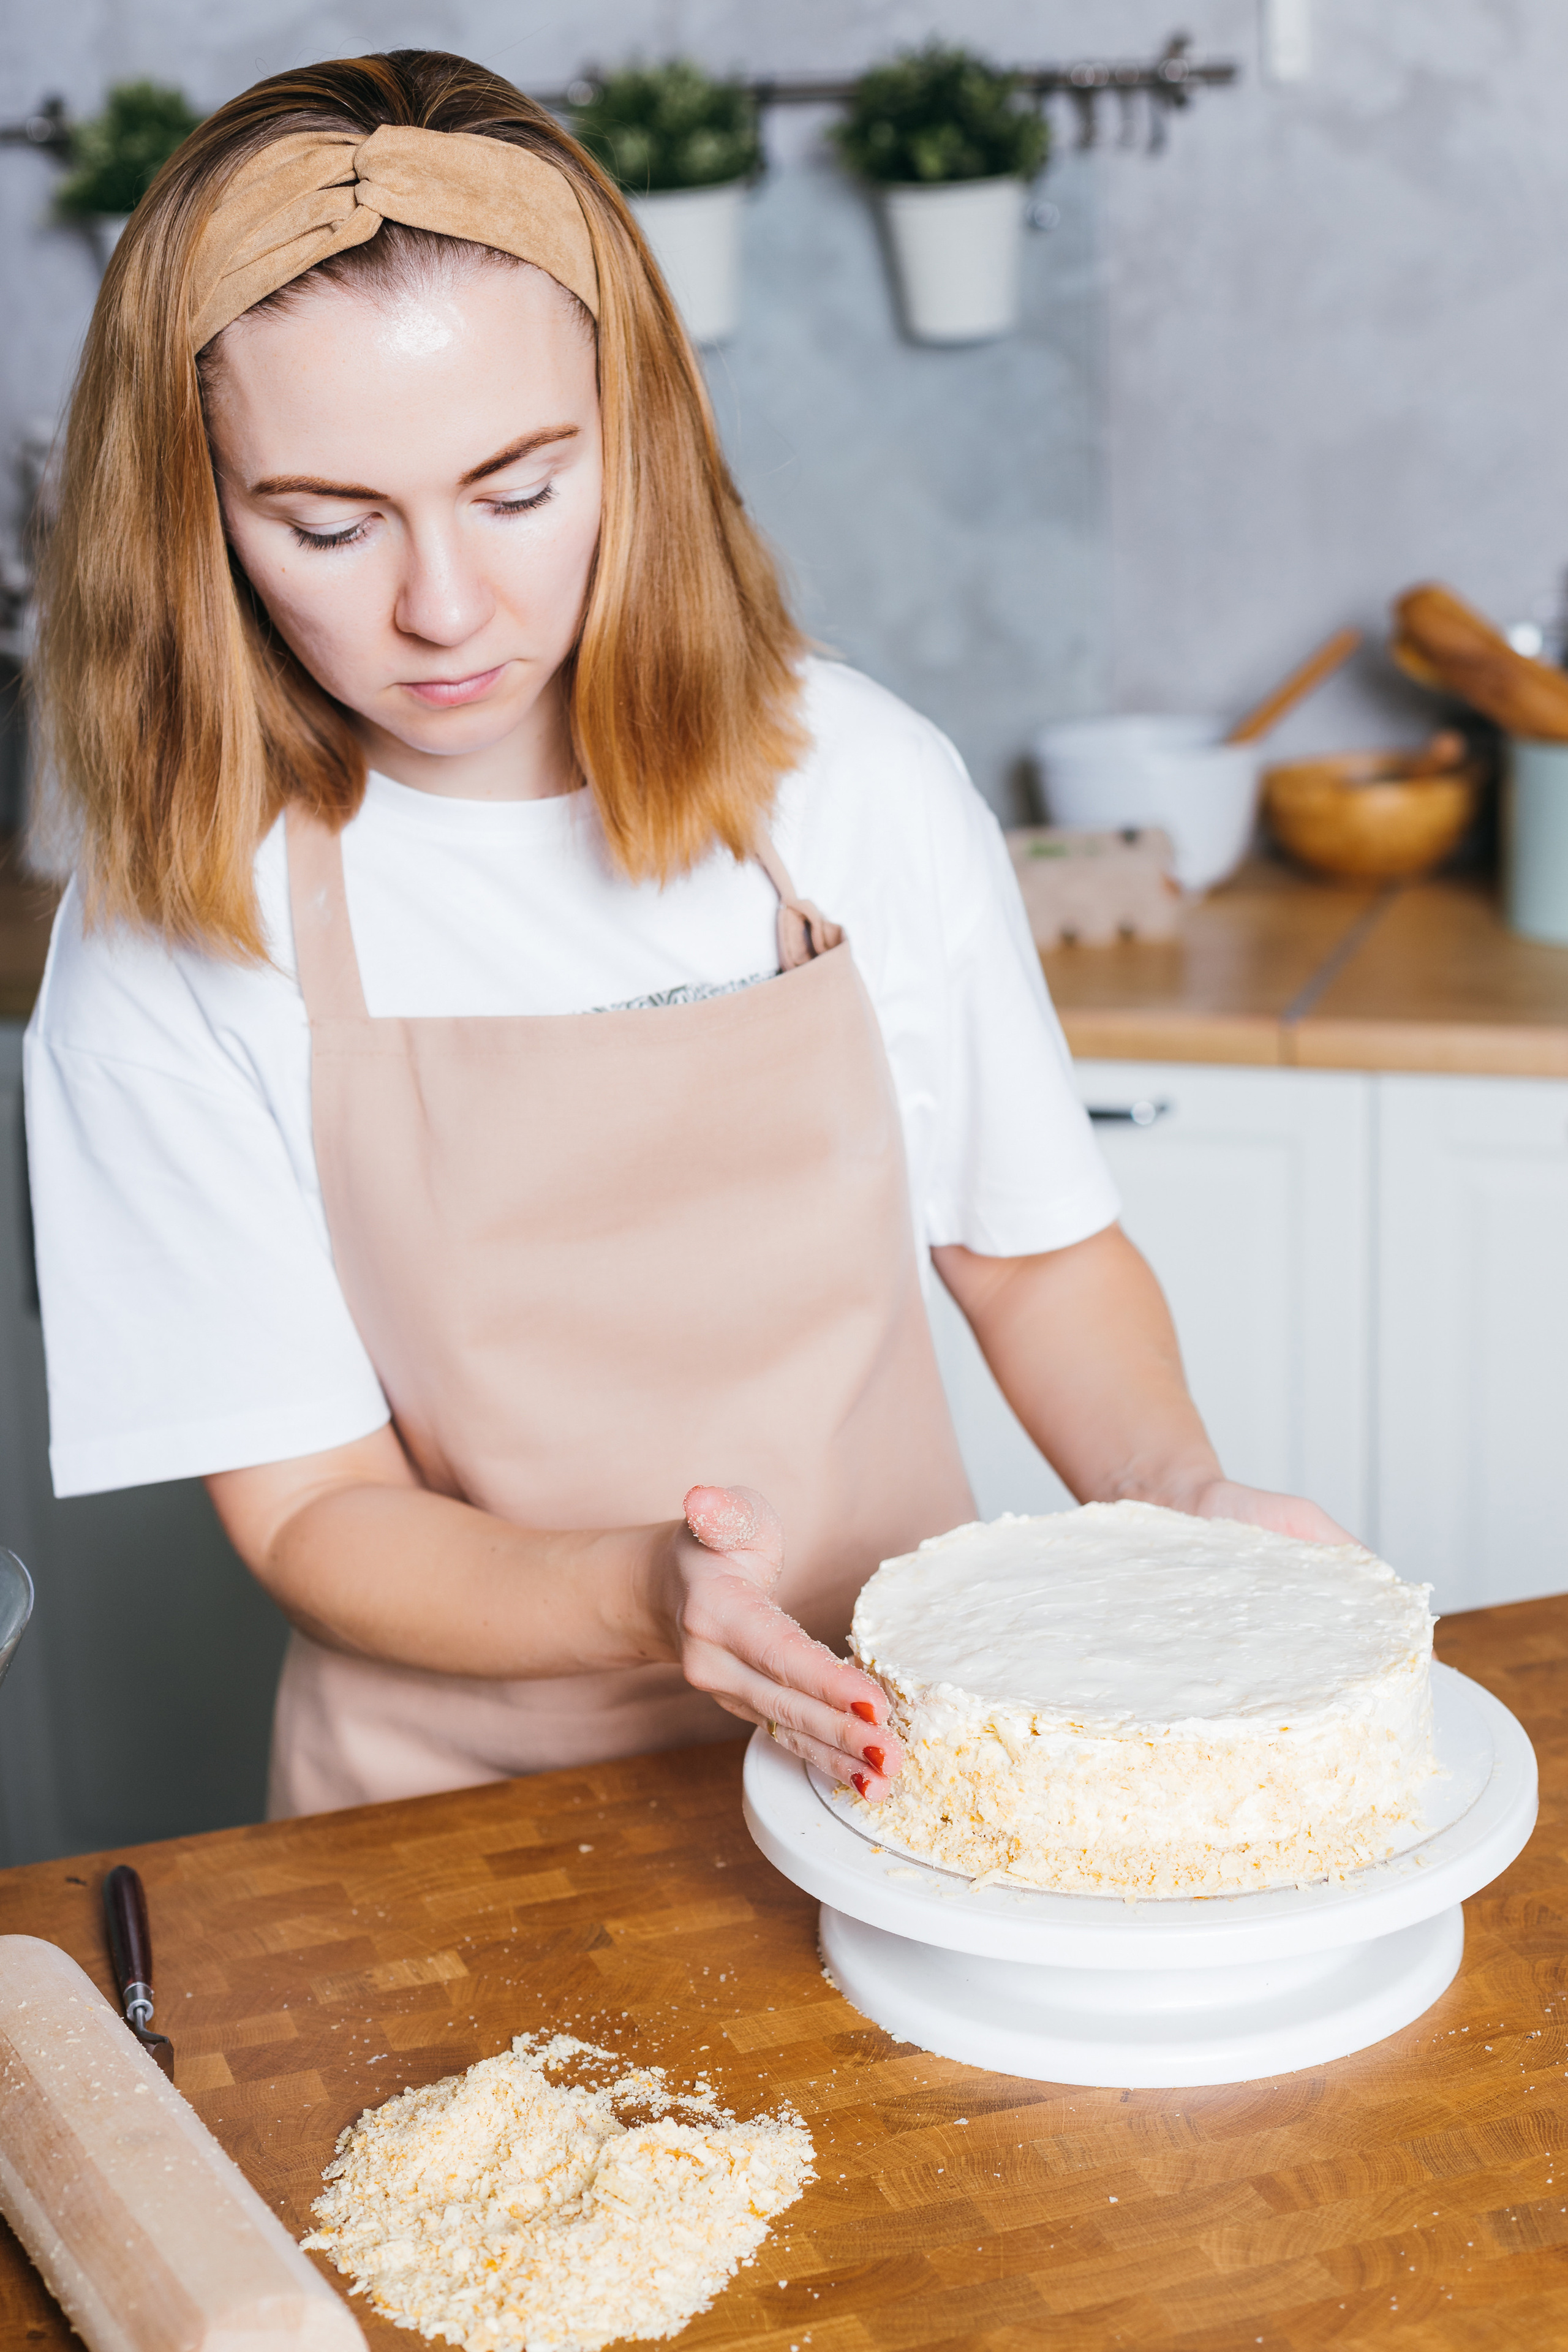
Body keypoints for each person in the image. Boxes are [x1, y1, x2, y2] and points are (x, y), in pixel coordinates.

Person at [24, 49, 1346, 1820]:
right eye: (329, 525)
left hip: (906, 1763)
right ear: (198, 521)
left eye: (517, 490)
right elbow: (315, 1512)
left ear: (629, 433)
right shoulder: (177, 927)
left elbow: (1032, 1257)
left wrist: (1182, 1500)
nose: (443, 607)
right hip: (447, 1822)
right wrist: (645, 1598)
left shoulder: (849, 781)